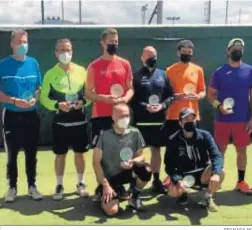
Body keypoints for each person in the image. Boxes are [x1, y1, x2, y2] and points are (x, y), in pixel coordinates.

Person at [85, 28, 134, 199]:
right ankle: (102, 187)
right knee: (102, 155)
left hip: (120, 116)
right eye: (111, 42)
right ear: (102, 43)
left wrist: (123, 100)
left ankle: (118, 186)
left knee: (121, 150)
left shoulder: (125, 64)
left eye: (116, 42)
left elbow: (130, 89)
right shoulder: (93, 66)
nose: (114, 44)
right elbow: (88, 93)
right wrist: (104, 98)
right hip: (100, 115)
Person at [40, 38, 90, 200]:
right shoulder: (50, 74)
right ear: (56, 53)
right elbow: (43, 98)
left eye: (68, 50)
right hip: (60, 123)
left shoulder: (82, 71)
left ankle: (81, 183)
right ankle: (59, 185)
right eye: (61, 50)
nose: (65, 53)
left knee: (80, 153)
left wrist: (83, 101)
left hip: (80, 121)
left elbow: (89, 94)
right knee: (60, 155)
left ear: (72, 52)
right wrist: (57, 105)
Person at [208, 38, 252, 195]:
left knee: (241, 151)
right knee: (219, 151)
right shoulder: (219, 71)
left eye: (240, 48)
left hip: (242, 120)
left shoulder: (251, 71)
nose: (237, 50)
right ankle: (218, 180)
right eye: (234, 48)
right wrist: (219, 107)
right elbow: (211, 96)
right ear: (227, 51)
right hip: (222, 120)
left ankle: (240, 182)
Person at [0, 29, 42, 202]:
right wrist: (14, 101)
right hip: (11, 115)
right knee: (13, 155)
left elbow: (38, 88)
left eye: (24, 42)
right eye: (18, 42)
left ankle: (32, 186)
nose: (22, 45)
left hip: (31, 115)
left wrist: (34, 98)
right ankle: (12, 187)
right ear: (11, 44)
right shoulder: (2, 65)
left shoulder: (33, 63)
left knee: (31, 153)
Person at [93, 103, 152, 216]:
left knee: (146, 169)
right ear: (113, 117)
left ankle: (134, 197)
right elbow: (96, 163)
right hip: (109, 179)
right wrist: (105, 186)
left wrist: (133, 161)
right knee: (112, 211)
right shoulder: (103, 134)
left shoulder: (135, 132)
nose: (125, 119)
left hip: (126, 173)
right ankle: (104, 192)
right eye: (121, 116)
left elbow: (141, 156)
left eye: (127, 115)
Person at [163, 40, 206, 187]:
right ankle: (170, 176)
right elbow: (166, 94)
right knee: (172, 148)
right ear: (178, 52)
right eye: (184, 51)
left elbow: (202, 91)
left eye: (189, 52)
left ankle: (193, 175)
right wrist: (176, 96)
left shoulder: (198, 70)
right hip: (173, 116)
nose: (186, 54)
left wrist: (198, 96)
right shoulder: (169, 70)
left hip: (192, 116)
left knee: (193, 147)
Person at [131, 46, 174, 194]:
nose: (151, 57)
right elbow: (132, 99)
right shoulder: (135, 76)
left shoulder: (163, 75)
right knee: (138, 153)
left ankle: (156, 181)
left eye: (154, 54)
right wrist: (145, 106)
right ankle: (137, 181)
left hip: (158, 122)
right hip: (141, 122)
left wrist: (162, 105)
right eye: (148, 54)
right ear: (142, 57)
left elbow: (171, 96)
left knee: (156, 151)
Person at [164, 108, 224, 212]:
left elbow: (217, 156)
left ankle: (208, 197)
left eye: (192, 119)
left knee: (221, 172)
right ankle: (183, 195)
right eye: (186, 119)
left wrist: (216, 173)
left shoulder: (205, 135)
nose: (190, 122)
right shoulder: (173, 140)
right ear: (180, 122)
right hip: (183, 175)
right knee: (172, 192)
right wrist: (177, 179)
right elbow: (168, 165)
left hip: (202, 173)